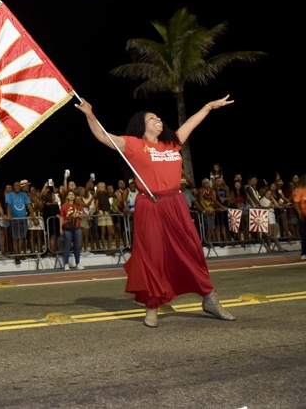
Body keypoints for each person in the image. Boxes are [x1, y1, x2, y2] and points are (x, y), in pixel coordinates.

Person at [75, 95, 237, 328]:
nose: (158, 119)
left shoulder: (172, 143)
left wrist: (209, 106)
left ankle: (209, 298)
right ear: (141, 126)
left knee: (192, 251)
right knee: (153, 256)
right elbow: (103, 136)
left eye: (158, 117)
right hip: (150, 205)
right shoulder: (133, 144)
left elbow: (190, 124)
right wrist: (90, 114)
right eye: (152, 118)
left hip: (176, 204)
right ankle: (152, 306)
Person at [60, 190, 85, 271]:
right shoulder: (64, 206)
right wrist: (60, 228)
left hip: (77, 227)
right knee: (67, 246)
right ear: (67, 196)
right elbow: (61, 217)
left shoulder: (78, 205)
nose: (71, 196)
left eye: (72, 194)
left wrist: (77, 215)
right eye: (70, 194)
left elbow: (84, 215)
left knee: (77, 246)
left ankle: (77, 263)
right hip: (67, 227)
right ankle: (66, 263)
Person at [290, 175, 306, 260]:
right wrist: (299, 213)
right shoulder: (299, 190)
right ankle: (304, 252)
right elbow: (296, 203)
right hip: (304, 215)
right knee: (304, 234)